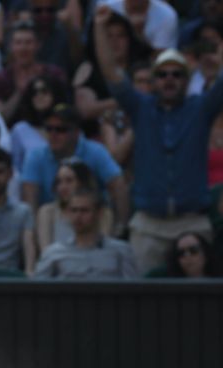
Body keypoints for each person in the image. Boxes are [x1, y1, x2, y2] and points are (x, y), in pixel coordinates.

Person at [94, 4, 223, 271]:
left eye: (177, 74)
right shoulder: (140, 107)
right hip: (148, 224)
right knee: (143, 303)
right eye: (163, 74)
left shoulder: (201, 108)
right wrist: (98, 27)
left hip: (192, 221)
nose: (169, 79)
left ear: (187, 80)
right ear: (154, 80)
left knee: (197, 304)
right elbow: (110, 72)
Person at [20, 104, 128, 225]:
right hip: (50, 223)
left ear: (76, 132)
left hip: (92, 223)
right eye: (49, 128)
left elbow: (118, 185)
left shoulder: (95, 152)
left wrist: (121, 225)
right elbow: (30, 199)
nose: (53, 134)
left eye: (60, 129)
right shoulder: (36, 156)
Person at [34, 189, 139, 279]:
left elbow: (133, 291)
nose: (78, 216)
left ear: (99, 213)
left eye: (84, 210)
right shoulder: (54, 253)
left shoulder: (121, 251)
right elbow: (38, 290)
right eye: (74, 210)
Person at [37, 159, 113, 252]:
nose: (62, 187)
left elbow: (103, 249)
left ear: (83, 182)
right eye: (59, 182)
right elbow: (46, 252)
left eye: (69, 181)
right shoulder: (48, 212)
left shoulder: (103, 213)